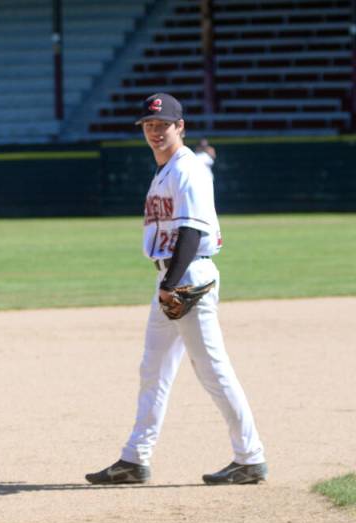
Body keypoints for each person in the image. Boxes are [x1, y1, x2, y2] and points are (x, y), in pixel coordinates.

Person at [85, 92, 266, 486]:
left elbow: (192, 229)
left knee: (212, 370)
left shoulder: (187, 169)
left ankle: (250, 457)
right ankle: (135, 459)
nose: (154, 131)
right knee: (154, 369)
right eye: (149, 125)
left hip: (187, 279)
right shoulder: (170, 168)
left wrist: (170, 284)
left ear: (179, 126)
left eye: (162, 125)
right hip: (173, 277)